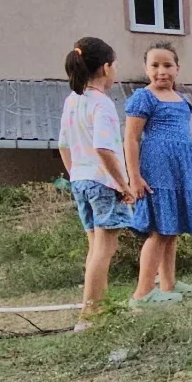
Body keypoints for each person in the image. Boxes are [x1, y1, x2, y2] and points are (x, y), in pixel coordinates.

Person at [124, 42, 192, 307]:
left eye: (167, 65)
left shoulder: (183, 100)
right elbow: (131, 138)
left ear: (177, 68)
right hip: (157, 171)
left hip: (180, 172)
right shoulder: (143, 97)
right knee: (159, 231)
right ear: (145, 68)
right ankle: (142, 293)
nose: (161, 71)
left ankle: (168, 284)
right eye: (155, 65)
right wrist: (134, 177)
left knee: (171, 230)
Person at [58, 37, 132, 332]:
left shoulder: (72, 101)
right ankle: (89, 316)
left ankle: (98, 308)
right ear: (105, 67)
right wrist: (123, 184)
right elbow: (105, 148)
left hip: (80, 180)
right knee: (105, 249)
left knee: (94, 248)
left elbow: (63, 145)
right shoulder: (102, 104)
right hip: (102, 182)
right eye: (114, 65)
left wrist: (76, 174)